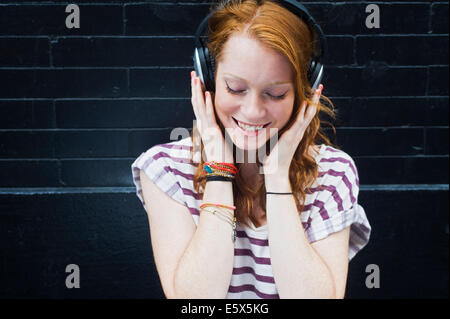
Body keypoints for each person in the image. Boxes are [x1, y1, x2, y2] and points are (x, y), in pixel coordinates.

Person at [131, 0, 371, 299]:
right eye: (235, 88)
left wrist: (278, 176)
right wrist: (219, 170)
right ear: (207, 80)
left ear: (303, 92)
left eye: (276, 93)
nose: (253, 111)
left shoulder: (333, 174)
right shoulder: (165, 169)